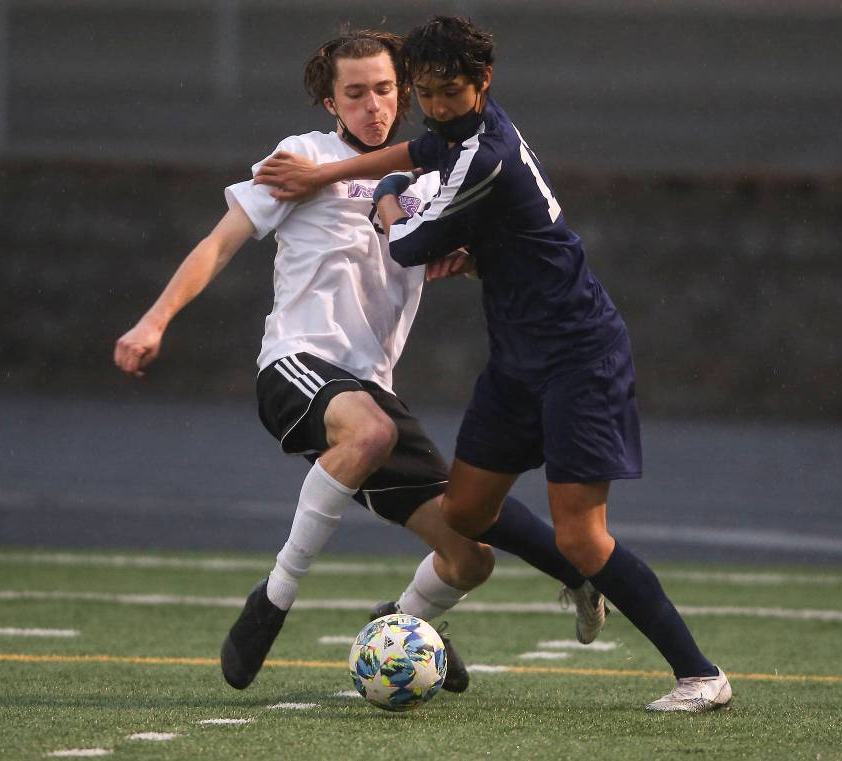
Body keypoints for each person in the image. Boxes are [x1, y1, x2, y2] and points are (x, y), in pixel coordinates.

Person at [254, 16, 732, 713]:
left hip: (578, 354)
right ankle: (573, 577)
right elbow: (416, 148)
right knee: (466, 508)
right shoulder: (454, 134)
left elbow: (408, 244)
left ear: (484, 83)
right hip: (518, 357)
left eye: (451, 92)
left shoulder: (487, 156)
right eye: (427, 93)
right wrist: (344, 175)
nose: (438, 106)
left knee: (580, 531)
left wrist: (386, 202)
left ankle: (700, 673)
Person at [114, 28, 606, 697]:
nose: (372, 105)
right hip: (299, 365)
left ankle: (400, 624)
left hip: (371, 389)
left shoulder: (435, 176)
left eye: (383, 89)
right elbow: (219, 242)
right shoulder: (302, 158)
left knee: (469, 556)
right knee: (369, 432)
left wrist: (462, 262)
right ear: (329, 102)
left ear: (404, 92)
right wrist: (155, 318)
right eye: (354, 93)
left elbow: (464, 247)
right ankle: (275, 596)